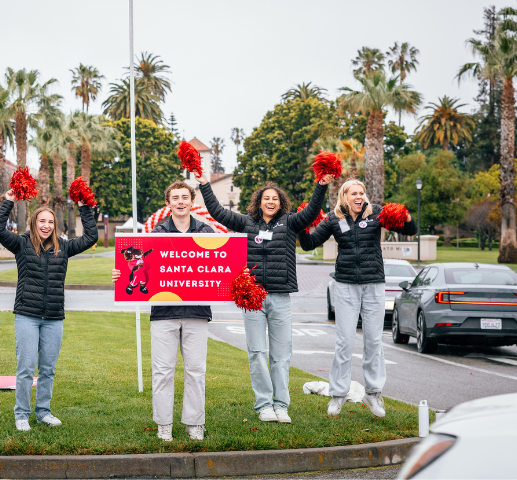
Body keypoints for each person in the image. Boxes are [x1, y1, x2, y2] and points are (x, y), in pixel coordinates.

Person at [197, 172, 332, 424]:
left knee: (281, 355)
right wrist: (204, 184)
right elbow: (217, 212)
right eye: (266, 198)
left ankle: (281, 405)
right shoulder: (246, 223)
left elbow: (312, 211)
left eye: (275, 199)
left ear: (281, 203)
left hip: (281, 297)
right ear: (258, 202)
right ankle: (264, 405)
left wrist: (320, 187)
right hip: (252, 299)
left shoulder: (291, 222)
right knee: (257, 352)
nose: (270, 202)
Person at [298, 180, 417, 418]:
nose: (359, 196)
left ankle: (373, 393)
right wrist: (303, 224)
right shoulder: (333, 219)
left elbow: (410, 231)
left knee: (373, 341)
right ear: (345, 196)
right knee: (344, 342)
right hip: (345, 285)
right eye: (354, 193)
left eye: (362, 192)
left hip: (374, 284)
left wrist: (406, 215)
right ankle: (338, 395)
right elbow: (309, 244)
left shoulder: (377, 214)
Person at [111, 180, 214, 442]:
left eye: (185, 197)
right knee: (163, 371)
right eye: (175, 198)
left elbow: (220, 266)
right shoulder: (154, 235)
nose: (180, 202)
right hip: (163, 313)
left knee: (196, 371)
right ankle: (164, 424)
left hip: (197, 312)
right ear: (168, 204)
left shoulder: (207, 233)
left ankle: (194, 423)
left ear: (192, 201)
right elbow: (136, 267)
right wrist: (120, 275)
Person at [0, 188, 97, 431]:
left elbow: (91, 237)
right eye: (42, 221)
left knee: (48, 369)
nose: (47, 225)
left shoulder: (65, 247)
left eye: (51, 222)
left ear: (55, 225)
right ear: (34, 223)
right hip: (27, 316)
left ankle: (43, 412)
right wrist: (8, 201)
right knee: (26, 367)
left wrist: (84, 207)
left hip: (53, 317)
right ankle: (21, 414)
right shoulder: (21, 244)